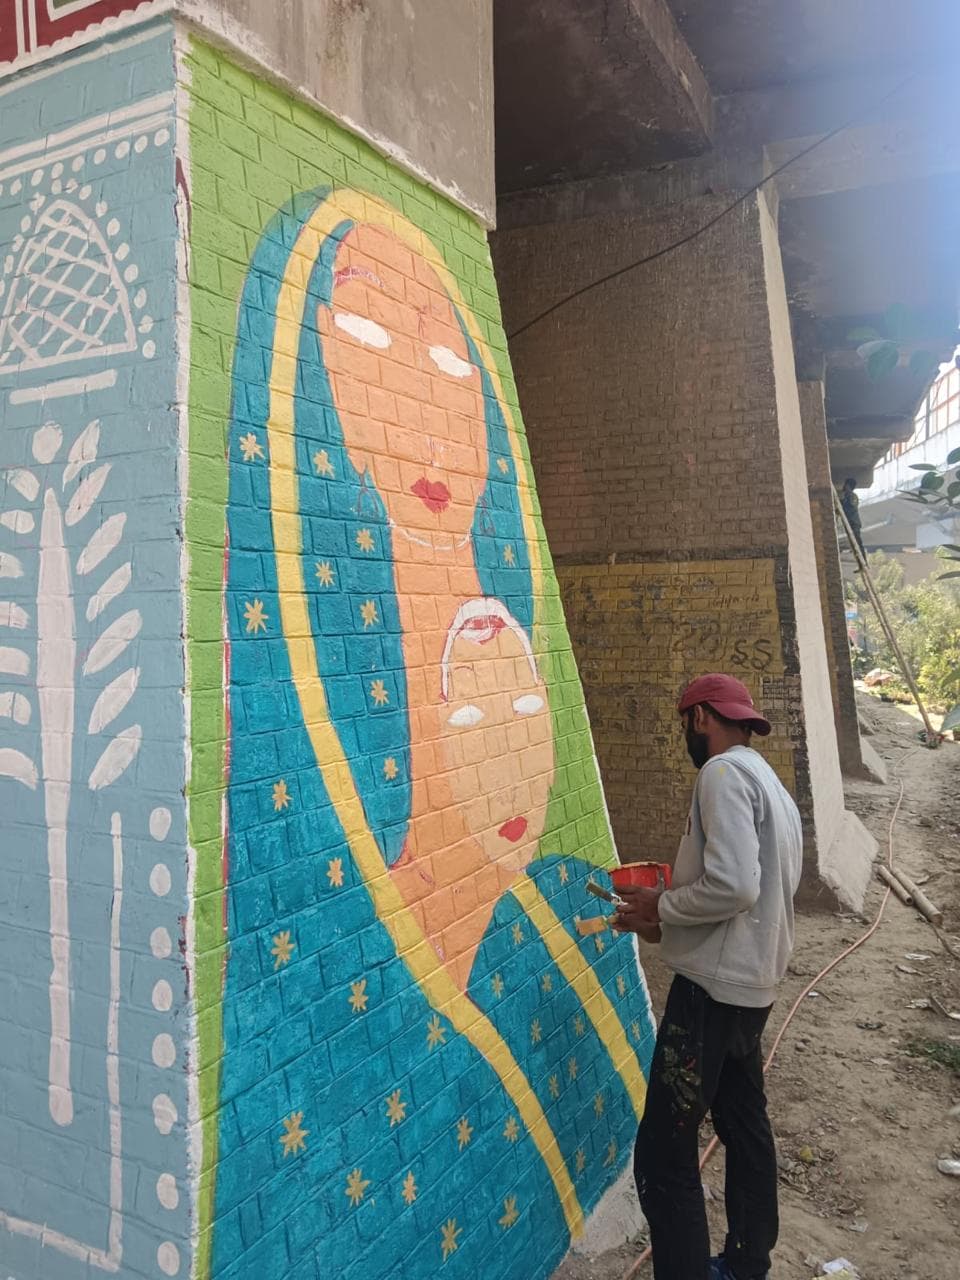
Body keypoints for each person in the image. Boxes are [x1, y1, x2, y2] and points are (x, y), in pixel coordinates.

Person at [613, 673, 802, 1280]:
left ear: (700, 719)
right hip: (753, 986)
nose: (686, 738)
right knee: (745, 1127)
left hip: (711, 996)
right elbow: (763, 889)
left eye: (683, 725)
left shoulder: (720, 774)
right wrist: (671, 925)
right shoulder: (770, 782)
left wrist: (664, 908)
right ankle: (748, 1265)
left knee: (664, 1152)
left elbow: (736, 886)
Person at [839, 477, 866, 562]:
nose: (844, 486)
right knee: (854, 545)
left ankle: (863, 562)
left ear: (849, 486)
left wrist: (843, 505)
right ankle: (861, 562)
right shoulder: (846, 497)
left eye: (846, 485)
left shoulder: (853, 496)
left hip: (854, 523)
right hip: (849, 523)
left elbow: (852, 507)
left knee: (857, 543)